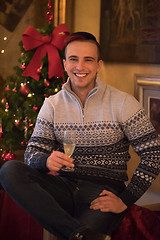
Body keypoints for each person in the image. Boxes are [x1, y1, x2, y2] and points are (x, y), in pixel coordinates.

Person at [0, 32, 160, 240]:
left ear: (98, 65)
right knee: (9, 170)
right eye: (74, 59)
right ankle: (80, 234)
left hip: (102, 192)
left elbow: (153, 154)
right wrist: (45, 160)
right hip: (62, 187)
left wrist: (125, 199)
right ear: (65, 63)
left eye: (88, 60)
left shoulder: (123, 103)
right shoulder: (52, 104)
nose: (80, 67)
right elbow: (32, 153)